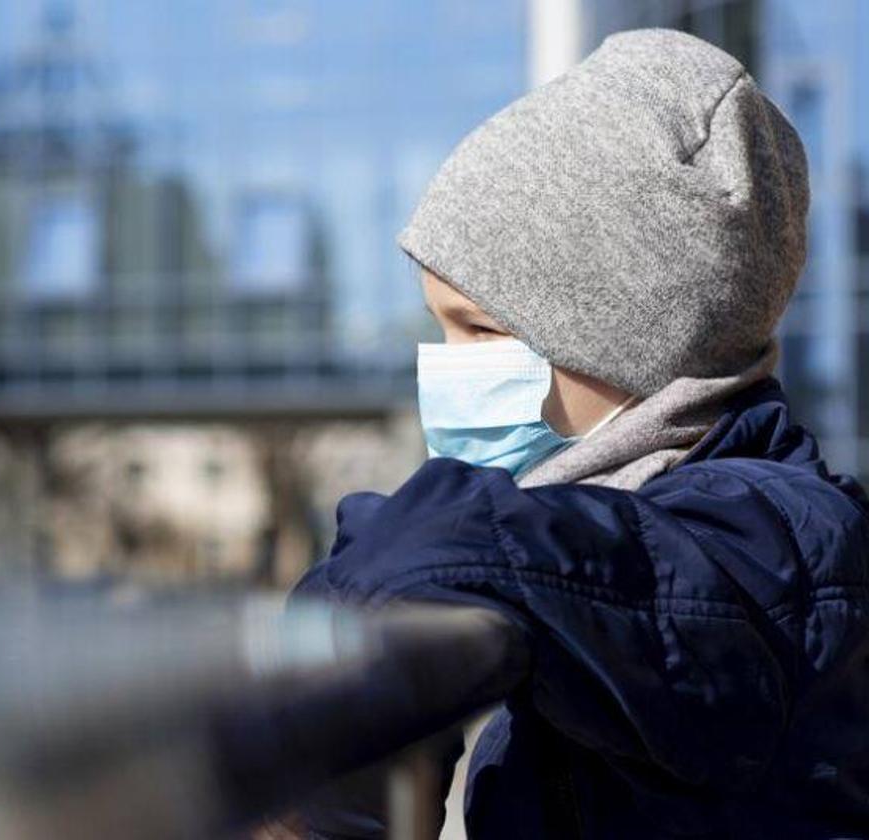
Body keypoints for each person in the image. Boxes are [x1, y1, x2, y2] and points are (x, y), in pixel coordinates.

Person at [287, 28, 869, 839]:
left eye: (483, 331)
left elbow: (464, 552)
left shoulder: (778, 549)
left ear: (634, 342)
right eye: (439, 327)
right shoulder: (631, 519)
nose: (445, 370)